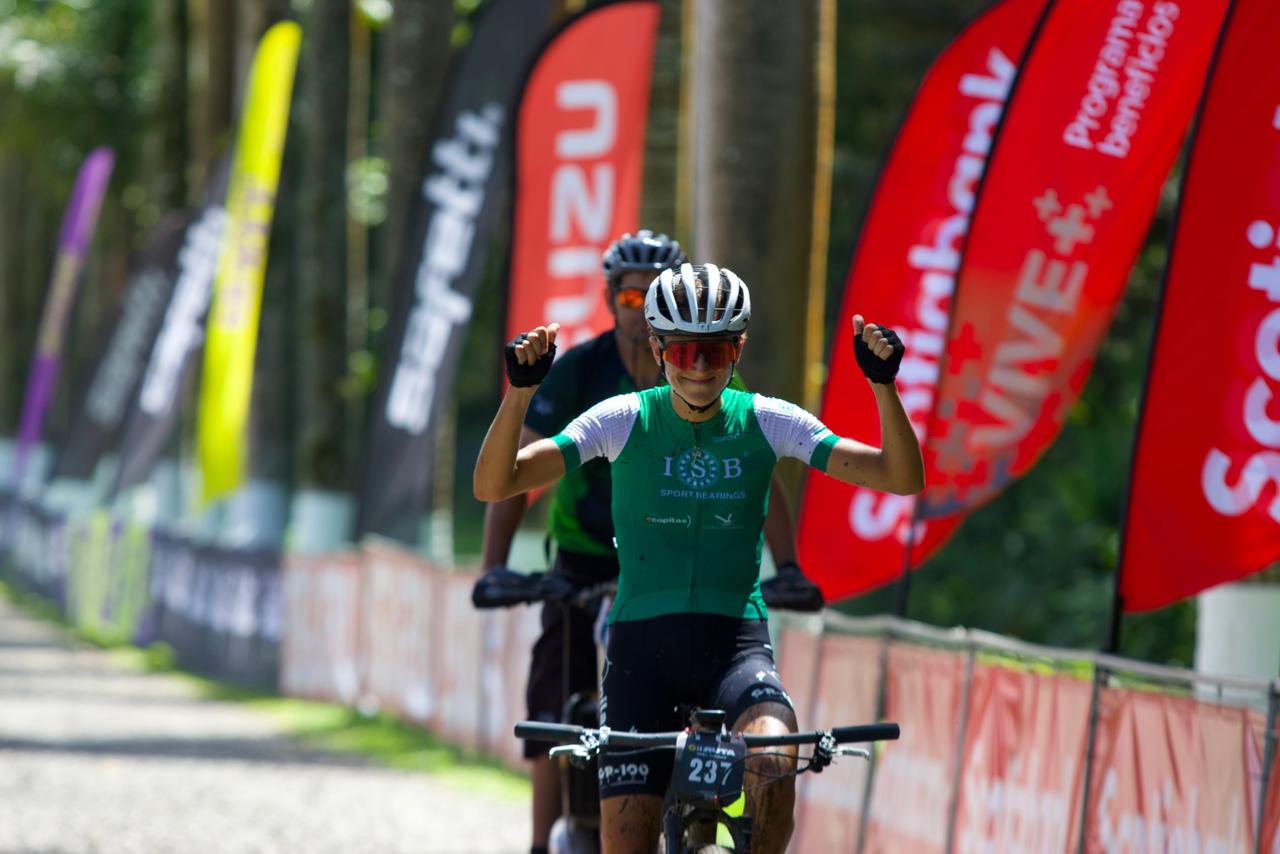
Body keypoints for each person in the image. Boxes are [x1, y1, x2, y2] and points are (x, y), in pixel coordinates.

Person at [475, 263, 923, 853]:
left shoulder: (768, 419)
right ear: (658, 350)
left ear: (738, 348)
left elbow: (900, 475)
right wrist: (520, 394)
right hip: (641, 653)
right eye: (684, 353)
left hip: (735, 646)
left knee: (775, 759)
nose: (701, 369)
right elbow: (493, 483)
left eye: (715, 352)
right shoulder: (622, 418)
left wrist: (884, 387)